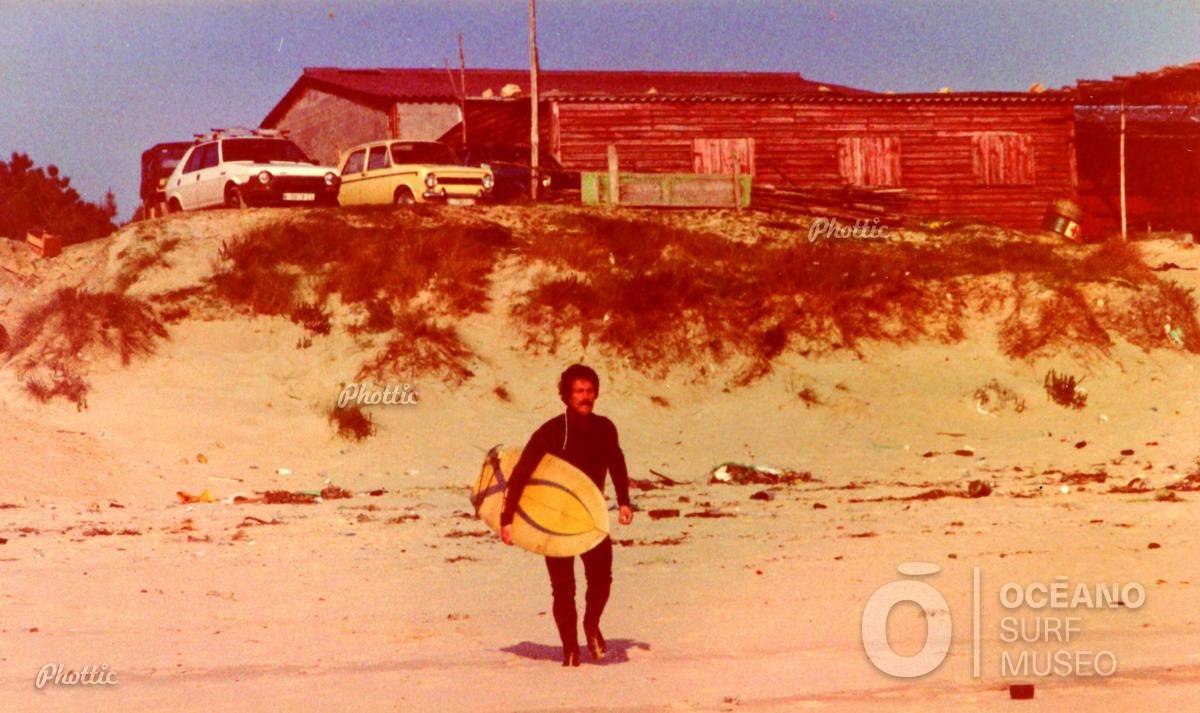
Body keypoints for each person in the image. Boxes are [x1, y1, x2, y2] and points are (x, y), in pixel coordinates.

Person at [500, 364, 634, 667]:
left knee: (601, 580)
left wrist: (624, 502)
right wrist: (507, 518)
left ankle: (591, 624)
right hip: (554, 522)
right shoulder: (551, 432)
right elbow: (521, 472)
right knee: (563, 589)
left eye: (590, 391)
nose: (585, 397)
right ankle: (570, 649)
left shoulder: (605, 428)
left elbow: (616, 462)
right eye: (579, 391)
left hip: (591, 518)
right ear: (566, 396)